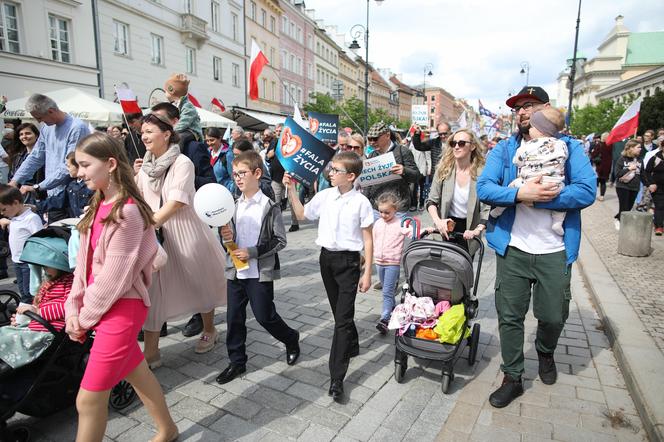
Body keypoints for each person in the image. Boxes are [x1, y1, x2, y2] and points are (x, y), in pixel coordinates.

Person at [476, 86, 596, 408]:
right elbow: (484, 187)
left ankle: (545, 352)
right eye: (518, 107)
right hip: (512, 247)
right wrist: (518, 194)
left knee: (554, 315)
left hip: (555, 248)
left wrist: (545, 198)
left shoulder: (569, 147)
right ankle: (513, 376)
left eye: (529, 105)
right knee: (509, 316)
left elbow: (587, 191)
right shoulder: (505, 149)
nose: (522, 111)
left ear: (545, 108)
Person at [64, 132, 178, 442]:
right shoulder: (97, 204)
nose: (79, 171)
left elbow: (114, 279)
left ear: (111, 164)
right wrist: (73, 307)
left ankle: (167, 429)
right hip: (101, 307)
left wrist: (83, 319)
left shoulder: (127, 212)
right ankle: (167, 429)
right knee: (138, 373)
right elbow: (83, 269)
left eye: (85, 164)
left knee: (87, 400)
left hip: (122, 310)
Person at [135, 113, 227, 364]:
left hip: (184, 231)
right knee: (153, 291)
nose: (144, 136)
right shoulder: (145, 166)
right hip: (154, 236)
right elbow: (138, 196)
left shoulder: (183, 162)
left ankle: (209, 329)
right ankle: (151, 351)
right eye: (142, 132)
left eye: (149, 131)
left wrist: (151, 223)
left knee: (199, 282)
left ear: (166, 134)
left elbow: (176, 201)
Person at [284, 151, 373, 402]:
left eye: (336, 170)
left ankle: (336, 378)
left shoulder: (361, 203)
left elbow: (368, 239)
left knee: (341, 321)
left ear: (351, 176)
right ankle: (352, 343)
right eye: (331, 169)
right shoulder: (325, 196)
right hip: (326, 260)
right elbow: (302, 215)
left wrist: (367, 273)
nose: (330, 173)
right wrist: (291, 190)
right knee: (339, 313)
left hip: (349, 262)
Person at [216, 150, 300, 385]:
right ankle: (237, 361)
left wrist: (252, 252)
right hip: (236, 270)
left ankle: (291, 338)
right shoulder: (232, 205)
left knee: (265, 316)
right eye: (234, 174)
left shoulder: (269, 206)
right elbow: (228, 239)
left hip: (258, 272)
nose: (237, 178)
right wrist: (226, 237)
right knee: (234, 318)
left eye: (242, 173)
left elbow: (280, 240)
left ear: (257, 173)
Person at [9, 93, 89, 223]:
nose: (39, 121)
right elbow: (35, 156)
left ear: (51, 111)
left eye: (40, 118)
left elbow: (69, 165)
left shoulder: (76, 127)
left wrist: (38, 187)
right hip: (53, 195)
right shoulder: (46, 128)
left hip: (72, 195)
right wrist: (15, 181)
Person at [489, 108, 568, 236]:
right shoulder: (562, 144)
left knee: (512, 186)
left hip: (528, 182)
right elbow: (563, 157)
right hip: (553, 184)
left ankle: (499, 209)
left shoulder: (528, 145)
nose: (529, 129)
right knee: (562, 195)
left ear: (540, 129)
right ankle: (557, 221)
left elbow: (518, 161)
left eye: (532, 126)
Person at [426, 129, 488, 254]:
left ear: (472, 146)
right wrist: (438, 222)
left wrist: (477, 230)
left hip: (469, 230)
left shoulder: (482, 173)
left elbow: (486, 208)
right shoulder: (444, 169)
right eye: (453, 143)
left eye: (461, 143)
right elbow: (431, 201)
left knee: (462, 269)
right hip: (445, 225)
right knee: (443, 269)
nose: (456, 147)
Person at [362, 121, 419, 217]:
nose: (372, 142)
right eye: (369, 139)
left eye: (375, 139)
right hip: (377, 209)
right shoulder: (372, 155)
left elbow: (416, 176)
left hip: (397, 208)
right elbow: (368, 184)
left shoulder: (402, 151)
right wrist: (364, 203)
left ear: (387, 135)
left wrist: (404, 171)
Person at [372, 192, 410, 334]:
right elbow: (374, 239)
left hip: (392, 263)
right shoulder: (378, 223)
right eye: (381, 212)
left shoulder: (400, 223)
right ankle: (393, 310)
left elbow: (411, 232)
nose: (383, 215)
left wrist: (425, 230)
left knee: (387, 292)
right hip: (379, 262)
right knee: (386, 292)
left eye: (387, 212)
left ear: (395, 209)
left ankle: (384, 319)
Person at [0, 185, 43, 303]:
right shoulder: (14, 217)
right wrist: (8, 222)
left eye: (4, 209)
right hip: (16, 260)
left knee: (29, 292)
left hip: (27, 262)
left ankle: (29, 314)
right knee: (22, 290)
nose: (2, 213)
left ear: (15, 203)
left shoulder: (31, 218)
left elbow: (39, 238)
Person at [7, 123, 45, 207]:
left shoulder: (44, 157)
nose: (24, 136)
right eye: (21, 134)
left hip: (38, 197)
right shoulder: (17, 156)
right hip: (19, 197)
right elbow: (11, 176)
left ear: (36, 135)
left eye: (28, 133)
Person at [613, 139, 646, 230]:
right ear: (631, 148)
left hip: (635, 187)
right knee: (624, 207)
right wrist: (629, 168)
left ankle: (618, 218)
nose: (640, 149)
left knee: (629, 207)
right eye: (638, 147)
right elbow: (617, 174)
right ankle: (621, 222)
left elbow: (643, 174)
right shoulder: (622, 159)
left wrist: (648, 184)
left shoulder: (639, 159)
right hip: (622, 186)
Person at [163, 73, 203, 141]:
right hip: (182, 130)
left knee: (180, 138)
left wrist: (172, 131)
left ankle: (176, 151)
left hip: (192, 131)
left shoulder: (187, 105)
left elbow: (184, 122)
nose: (164, 93)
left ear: (172, 90)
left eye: (165, 91)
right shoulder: (174, 105)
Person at [64, 151, 94, 218]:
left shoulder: (91, 186)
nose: (67, 169)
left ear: (78, 166)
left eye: (69, 166)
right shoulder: (71, 185)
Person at [645, 137, 664, 235]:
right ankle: (659, 226)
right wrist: (651, 183)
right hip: (658, 187)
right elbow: (647, 172)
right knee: (660, 205)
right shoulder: (655, 158)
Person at [590, 132, 612, 201]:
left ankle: (594, 194)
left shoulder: (599, 145)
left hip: (599, 165)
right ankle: (602, 196)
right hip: (607, 166)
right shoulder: (611, 145)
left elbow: (593, 154)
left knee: (596, 181)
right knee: (603, 182)